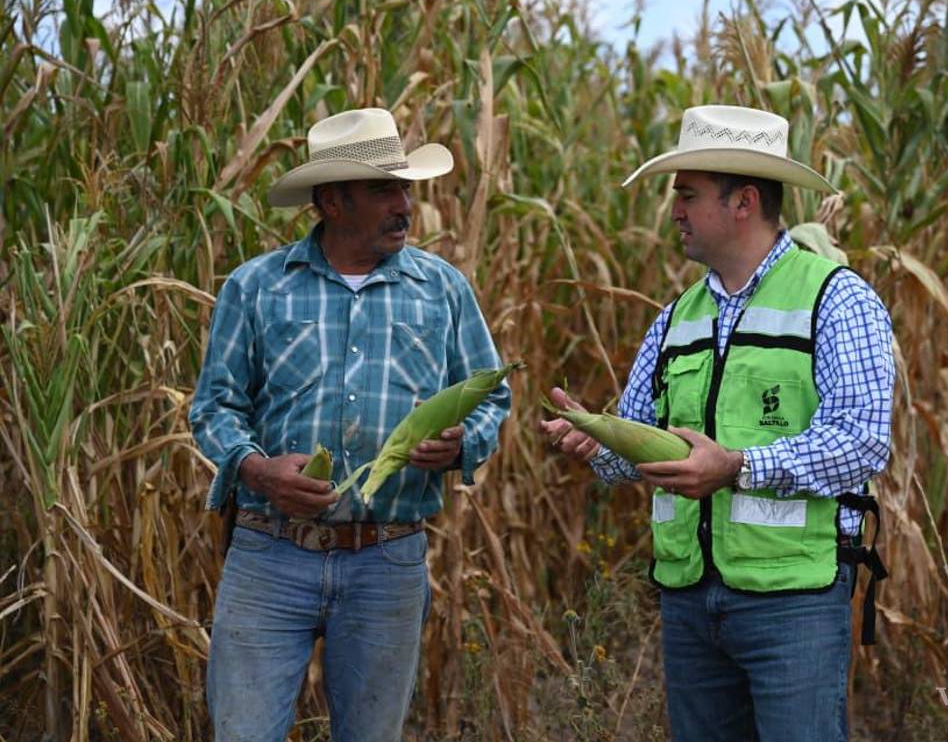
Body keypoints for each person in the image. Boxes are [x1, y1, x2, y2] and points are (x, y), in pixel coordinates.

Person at [540, 105, 894, 742]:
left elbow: (863, 441)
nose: (674, 211)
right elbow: (640, 448)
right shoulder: (677, 317)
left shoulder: (835, 297)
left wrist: (737, 467)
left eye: (688, 195)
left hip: (795, 600)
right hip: (689, 599)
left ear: (744, 202)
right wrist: (596, 441)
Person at [189, 107, 512, 741]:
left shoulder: (442, 291)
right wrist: (256, 467)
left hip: (387, 558)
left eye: (405, 189)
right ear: (333, 202)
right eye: (384, 190)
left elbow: (489, 398)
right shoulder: (256, 288)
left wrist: (458, 445)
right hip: (269, 552)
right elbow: (214, 406)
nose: (404, 205)